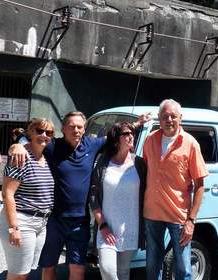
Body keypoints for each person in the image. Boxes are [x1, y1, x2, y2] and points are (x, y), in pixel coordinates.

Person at [9, 111, 151, 280]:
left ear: (84, 129)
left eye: (79, 127)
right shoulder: (53, 145)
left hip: (80, 221)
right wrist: (17, 145)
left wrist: (137, 123)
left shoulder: (92, 144)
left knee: (78, 270)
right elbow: (33, 139)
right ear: (63, 128)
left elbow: (115, 136)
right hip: (55, 220)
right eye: (72, 126)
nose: (76, 130)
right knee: (48, 268)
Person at [142, 99, 209, 280]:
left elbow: (200, 185)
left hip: (178, 216)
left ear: (181, 118)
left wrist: (191, 221)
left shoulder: (190, 143)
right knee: (152, 265)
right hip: (152, 213)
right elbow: (144, 173)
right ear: (159, 118)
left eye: (173, 116)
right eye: (165, 116)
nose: (169, 120)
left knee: (183, 267)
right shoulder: (149, 140)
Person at [0, 118, 55, 280]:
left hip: (41, 223)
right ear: (30, 132)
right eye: (39, 131)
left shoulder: (47, 158)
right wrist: (14, 228)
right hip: (22, 222)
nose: (44, 135)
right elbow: (7, 194)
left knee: (27, 270)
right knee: (19, 274)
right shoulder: (20, 157)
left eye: (49, 132)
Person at [89, 122, 147, 280]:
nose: (131, 136)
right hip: (106, 228)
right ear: (116, 138)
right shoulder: (103, 161)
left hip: (131, 228)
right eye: (126, 134)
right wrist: (103, 224)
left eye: (132, 133)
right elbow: (93, 196)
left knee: (123, 273)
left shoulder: (139, 163)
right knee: (108, 271)